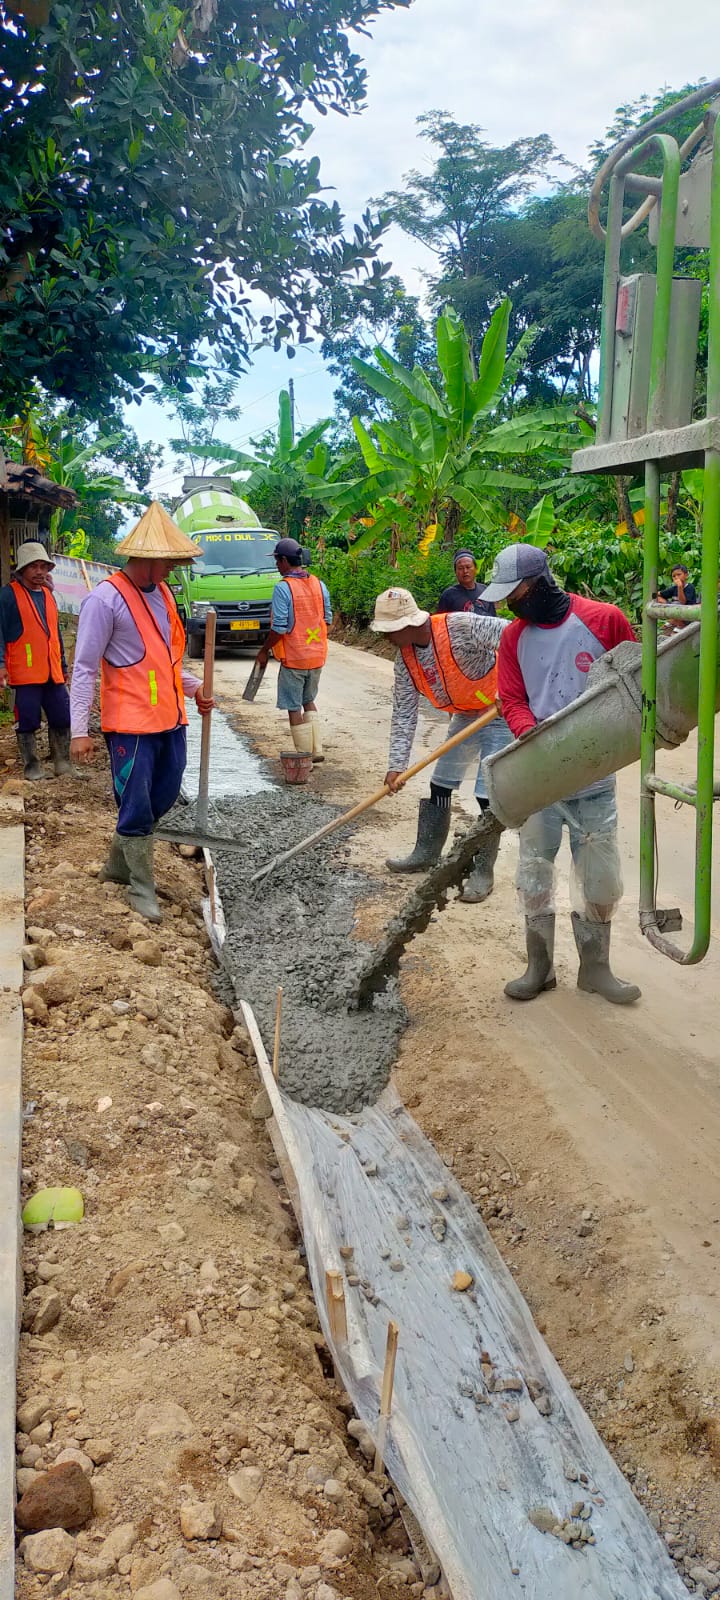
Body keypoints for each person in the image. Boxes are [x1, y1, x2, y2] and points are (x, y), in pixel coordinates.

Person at [483, 542, 641, 1005]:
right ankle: (539, 968)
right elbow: (511, 698)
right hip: (541, 780)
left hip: (595, 778)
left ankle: (596, 969)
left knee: (601, 877)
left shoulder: (604, 619)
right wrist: (533, 737)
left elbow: (633, 682)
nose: (511, 602)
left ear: (538, 583)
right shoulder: (513, 638)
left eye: (516, 592)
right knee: (534, 873)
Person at [69, 502, 214, 924]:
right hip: (130, 724)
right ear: (148, 559)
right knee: (134, 802)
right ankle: (140, 887)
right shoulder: (105, 600)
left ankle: (117, 865)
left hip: (170, 717)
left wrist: (196, 688)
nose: (173, 570)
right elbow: (83, 669)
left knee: (165, 792)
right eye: (168, 563)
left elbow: (165, 661)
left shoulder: (165, 593)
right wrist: (80, 730)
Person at [370, 586, 511, 902]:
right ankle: (426, 853)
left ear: (406, 625)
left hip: (500, 711)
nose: (386, 639)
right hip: (465, 714)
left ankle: (482, 870)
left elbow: (515, 637)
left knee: (486, 793)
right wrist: (396, 764)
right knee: (441, 783)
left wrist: (514, 688)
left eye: (389, 632)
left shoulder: (460, 625)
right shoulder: (404, 660)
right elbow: (404, 712)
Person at [255, 537, 332, 763]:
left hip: (294, 658)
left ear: (285, 561)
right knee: (309, 700)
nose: (277, 566)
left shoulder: (283, 588)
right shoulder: (319, 584)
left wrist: (264, 650)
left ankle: (302, 756)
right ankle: (316, 750)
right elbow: (327, 619)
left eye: (277, 561)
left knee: (293, 706)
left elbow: (278, 627)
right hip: (317, 656)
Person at [0, 541, 72, 781]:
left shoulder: (49, 596)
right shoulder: (7, 595)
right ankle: (32, 767)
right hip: (25, 672)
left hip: (53, 671)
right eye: (33, 567)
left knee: (62, 715)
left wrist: (62, 665)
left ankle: (62, 763)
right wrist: (1, 665)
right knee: (28, 720)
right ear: (21, 570)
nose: (40, 572)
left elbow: (56, 634)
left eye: (43, 566)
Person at [436, 550, 496, 616]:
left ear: (476, 569)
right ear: (455, 572)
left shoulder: (485, 591)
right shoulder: (448, 595)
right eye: (460, 568)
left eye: (468, 567)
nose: (465, 571)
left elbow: (493, 619)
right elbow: (440, 621)